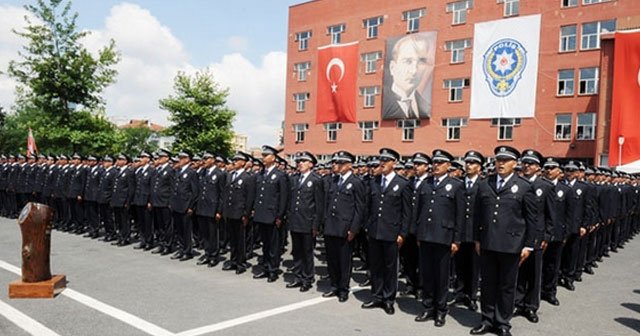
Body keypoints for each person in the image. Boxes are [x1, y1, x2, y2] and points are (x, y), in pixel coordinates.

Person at [471, 146, 537, 336]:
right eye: (499, 159)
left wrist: (529, 245)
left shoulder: (524, 186)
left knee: (507, 286)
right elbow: (477, 214)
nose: (501, 163)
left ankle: (502, 323)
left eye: (505, 160)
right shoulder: (485, 183)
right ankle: (487, 319)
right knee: (488, 283)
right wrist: (476, 238)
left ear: (514, 164)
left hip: (512, 244)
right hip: (488, 242)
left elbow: (531, 218)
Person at [414, 149, 464, 327]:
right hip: (426, 235)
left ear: (448, 165)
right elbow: (418, 211)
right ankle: (428, 307)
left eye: (440, 163)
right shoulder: (425, 184)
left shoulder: (456, 185)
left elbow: (459, 215)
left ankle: (441, 310)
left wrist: (456, 240)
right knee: (427, 274)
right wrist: (418, 233)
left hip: (444, 237)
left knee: (442, 277)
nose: (435, 165)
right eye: (434, 162)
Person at [361, 148, 411, 315]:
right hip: (375, 231)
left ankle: (388, 299)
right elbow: (368, 207)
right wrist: (368, 227)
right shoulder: (374, 181)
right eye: (381, 160)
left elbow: (406, 212)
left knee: (390, 268)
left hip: (392, 233)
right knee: (376, 266)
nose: (382, 163)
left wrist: (402, 234)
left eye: (386, 160)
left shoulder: (402, 183)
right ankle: (376, 296)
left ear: (394, 163)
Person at [515, 149, 554, 324]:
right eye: (525, 163)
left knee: (534, 273)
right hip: (518, 235)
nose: (527, 166)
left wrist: (546, 236)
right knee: (518, 272)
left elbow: (551, 215)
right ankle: (518, 302)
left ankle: (531, 306)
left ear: (538, 167)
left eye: (530, 163)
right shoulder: (518, 183)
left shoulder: (545, 186)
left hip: (537, 237)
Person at [322, 151, 365, 303]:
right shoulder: (334, 181)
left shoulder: (356, 182)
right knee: (332, 259)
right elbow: (327, 203)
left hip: (345, 228)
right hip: (331, 226)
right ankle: (334, 285)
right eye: (337, 163)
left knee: (344, 261)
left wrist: (354, 229)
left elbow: (360, 208)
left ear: (349, 165)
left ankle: (343, 289)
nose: (337, 166)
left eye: (340, 163)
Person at [286, 151, 324, 292]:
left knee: (307, 252)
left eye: (303, 161)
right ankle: (298, 276)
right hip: (295, 221)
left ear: (311, 164)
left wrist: (316, 225)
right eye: (298, 161)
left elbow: (319, 205)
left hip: (308, 222)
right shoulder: (295, 179)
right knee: (296, 251)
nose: (300, 163)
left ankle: (307, 278)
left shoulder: (316, 180)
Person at [252, 145, 289, 283]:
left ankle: (273, 269)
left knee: (274, 244)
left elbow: (283, 197)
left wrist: (280, 216)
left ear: (273, 158)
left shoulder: (280, 175)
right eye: (263, 155)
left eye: (266, 155)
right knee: (265, 244)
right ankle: (266, 267)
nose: (263, 158)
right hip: (262, 214)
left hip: (273, 215)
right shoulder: (261, 174)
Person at [454, 150, 484, 312]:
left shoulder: (484, 185)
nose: (468, 165)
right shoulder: (458, 184)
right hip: (460, 231)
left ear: (479, 167)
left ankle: (471, 296)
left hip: (475, 234)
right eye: (467, 162)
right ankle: (459, 293)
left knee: (474, 267)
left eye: (472, 163)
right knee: (460, 265)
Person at [382, 33, 434, 120]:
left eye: (421, 62)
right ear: (392, 67)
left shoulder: (426, 107)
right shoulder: (382, 102)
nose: (414, 71)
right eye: (408, 61)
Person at [221, 151, 256, 274]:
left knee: (240, 240)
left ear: (243, 162)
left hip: (240, 213)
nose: (234, 162)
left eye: (237, 160)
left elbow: (249, 197)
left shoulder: (248, 177)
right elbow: (226, 195)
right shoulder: (230, 175)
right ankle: (233, 260)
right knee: (232, 239)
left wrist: (246, 214)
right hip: (230, 212)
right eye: (233, 160)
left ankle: (241, 263)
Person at [195, 152, 225, 267]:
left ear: (213, 160)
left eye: (207, 158)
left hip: (212, 208)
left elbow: (222, 194)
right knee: (205, 234)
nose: (204, 160)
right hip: (202, 207)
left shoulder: (219, 174)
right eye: (204, 158)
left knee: (213, 234)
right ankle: (207, 254)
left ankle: (214, 256)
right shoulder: (202, 172)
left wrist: (219, 210)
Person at [170, 151, 199, 261]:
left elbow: (195, 192)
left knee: (186, 230)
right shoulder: (178, 171)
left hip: (186, 205)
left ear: (188, 159)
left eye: (182, 158)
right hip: (177, 204)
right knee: (179, 229)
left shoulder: (192, 173)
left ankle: (187, 251)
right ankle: (181, 249)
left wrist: (191, 206)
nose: (180, 160)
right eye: (179, 157)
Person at [150, 149, 175, 256]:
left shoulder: (170, 170)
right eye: (158, 157)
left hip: (165, 202)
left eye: (161, 156)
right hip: (156, 202)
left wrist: (170, 202)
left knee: (167, 225)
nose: (159, 158)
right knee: (159, 225)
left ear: (167, 158)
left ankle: (168, 245)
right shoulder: (157, 170)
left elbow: (173, 188)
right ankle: (161, 243)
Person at [110, 154, 135, 246]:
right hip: (116, 200)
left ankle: (125, 238)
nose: (118, 161)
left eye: (121, 159)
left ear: (125, 161)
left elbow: (131, 189)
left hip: (123, 200)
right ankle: (120, 236)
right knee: (118, 220)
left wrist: (128, 202)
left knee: (124, 220)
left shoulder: (129, 172)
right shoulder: (117, 171)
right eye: (118, 159)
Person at [132, 151, 155, 250]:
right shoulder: (140, 171)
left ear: (148, 159)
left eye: (143, 157)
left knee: (148, 223)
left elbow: (152, 187)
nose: (140, 159)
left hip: (146, 201)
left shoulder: (152, 171)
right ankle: (143, 240)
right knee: (141, 222)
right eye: (140, 157)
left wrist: (150, 201)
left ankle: (149, 242)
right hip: (138, 199)